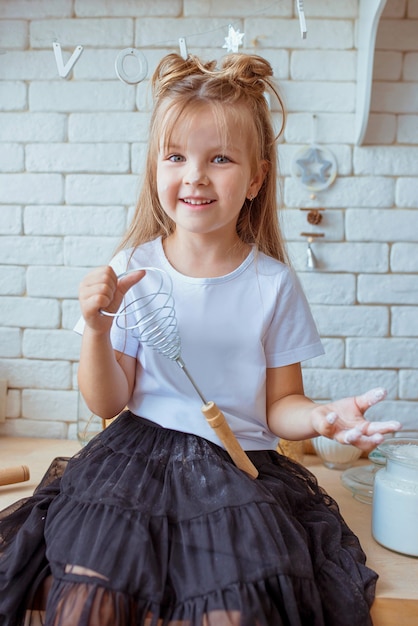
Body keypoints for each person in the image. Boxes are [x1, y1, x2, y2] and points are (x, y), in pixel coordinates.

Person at [0, 52, 401, 626]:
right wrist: (95, 329)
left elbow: (280, 404)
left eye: (219, 158)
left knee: (229, 609)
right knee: (92, 598)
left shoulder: (273, 284)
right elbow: (108, 402)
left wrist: (319, 419)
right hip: (132, 467)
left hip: (237, 475)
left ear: (257, 178)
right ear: (154, 168)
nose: (194, 175)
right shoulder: (133, 269)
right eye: (176, 156)